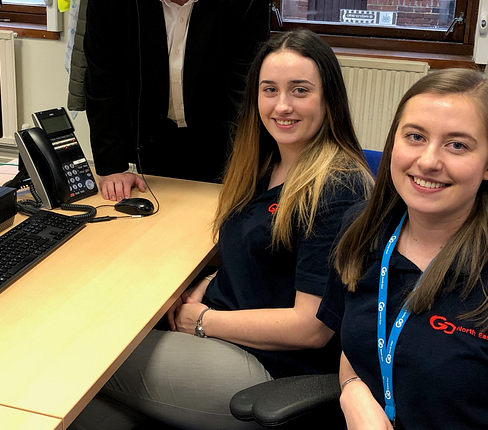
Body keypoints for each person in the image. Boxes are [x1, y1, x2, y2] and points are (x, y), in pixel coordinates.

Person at [70, 29, 372, 429]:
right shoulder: (267, 163)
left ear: (328, 98)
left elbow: (312, 327)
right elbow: (265, 258)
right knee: (83, 409)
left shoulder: (336, 188)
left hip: (271, 369)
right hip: (230, 333)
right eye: (270, 90)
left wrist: (202, 319)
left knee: (82, 355)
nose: (282, 106)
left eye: (300, 90)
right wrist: (212, 280)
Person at [318, 69, 488, 429]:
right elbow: (355, 337)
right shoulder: (362, 229)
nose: (428, 161)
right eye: (414, 136)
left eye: (457, 145)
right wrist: (352, 391)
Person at [83, 0, 271, 201]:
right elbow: (103, 79)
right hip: (143, 146)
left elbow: (243, 95)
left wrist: (240, 176)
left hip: (217, 143)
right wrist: (111, 165)